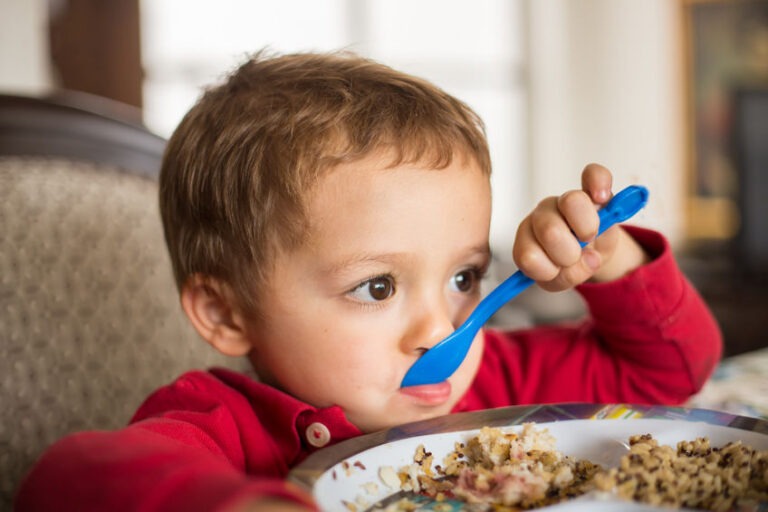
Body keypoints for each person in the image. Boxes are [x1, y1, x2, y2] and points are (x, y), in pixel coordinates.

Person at [15, 50, 722, 512]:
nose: (440, 330)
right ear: (224, 314)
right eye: (378, 288)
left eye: (464, 276)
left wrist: (613, 257)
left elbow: (669, 372)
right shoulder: (223, 429)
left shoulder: (495, 384)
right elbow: (66, 480)